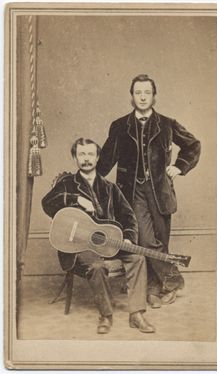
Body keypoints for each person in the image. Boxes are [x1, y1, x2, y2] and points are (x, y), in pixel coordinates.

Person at [97, 74, 201, 308]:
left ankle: (154, 289)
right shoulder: (120, 125)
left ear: (154, 96)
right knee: (144, 239)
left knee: (160, 241)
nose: (142, 97)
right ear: (131, 96)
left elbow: (193, 145)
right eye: (138, 93)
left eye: (147, 93)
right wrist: (86, 179)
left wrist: (179, 166)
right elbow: (105, 160)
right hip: (132, 193)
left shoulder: (167, 123)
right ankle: (174, 281)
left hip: (161, 192)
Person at [42, 137, 155, 334]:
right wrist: (75, 198)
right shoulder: (68, 184)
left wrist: (128, 237)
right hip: (78, 247)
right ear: (74, 158)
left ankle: (136, 314)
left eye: (90, 154)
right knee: (96, 265)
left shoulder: (110, 188)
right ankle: (106, 315)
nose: (86, 159)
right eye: (81, 154)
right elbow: (47, 202)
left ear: (97, 158)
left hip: (108, 243)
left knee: (138, 257)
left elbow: (129, 217)